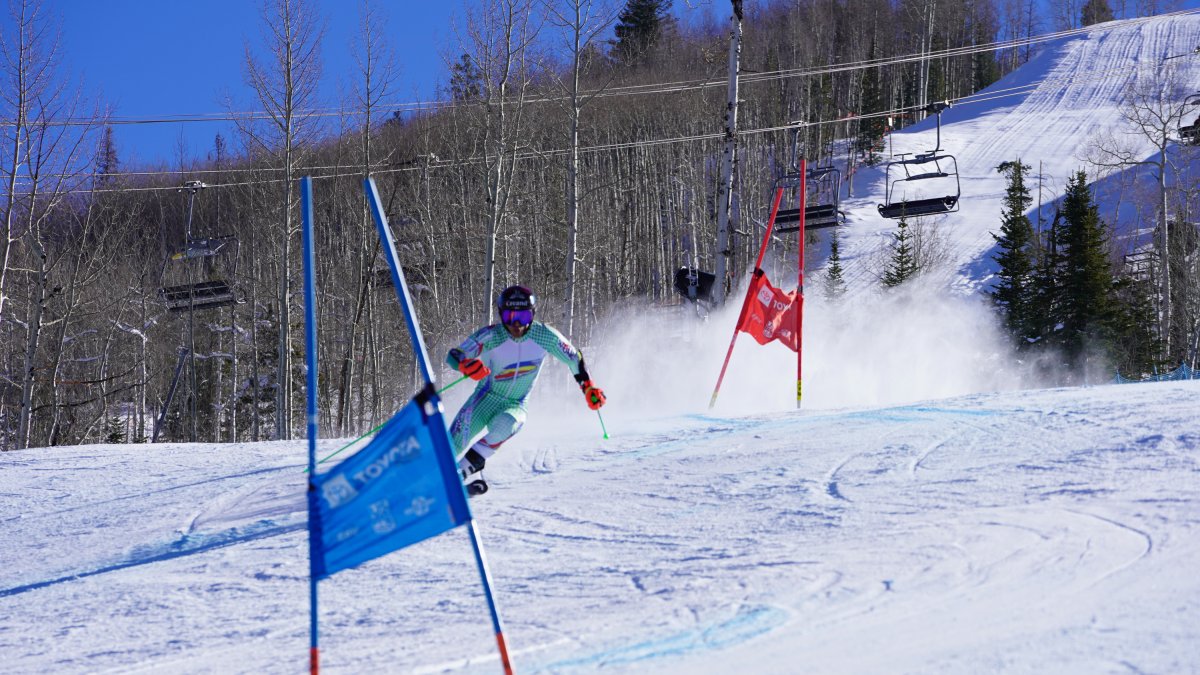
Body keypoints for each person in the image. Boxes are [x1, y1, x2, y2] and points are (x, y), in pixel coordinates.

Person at [446, 285, 605, 493]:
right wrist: (464, 365)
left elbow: (574, 358)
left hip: (515, 404)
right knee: (451, 446)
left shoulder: (544, 335)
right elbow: (454, 355)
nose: (517, 324)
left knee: (508, 424)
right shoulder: (492, 335)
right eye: (510, 316)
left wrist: (588, 387)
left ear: (533, 314)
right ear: (501, 314)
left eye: (523, 316)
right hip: (484, 399)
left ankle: (461, 472)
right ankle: (421, 481)